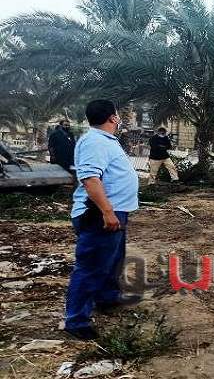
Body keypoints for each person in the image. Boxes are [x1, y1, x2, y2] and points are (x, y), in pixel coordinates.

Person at [64, 99, 140, 340]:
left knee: (112, 261)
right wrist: (107, 211)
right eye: (118, 115)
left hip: (115, 212)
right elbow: (90, 179)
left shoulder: (105, 140)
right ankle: (76, 321)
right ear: (113, 118)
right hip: (100, 214)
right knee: (91, 267)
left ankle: (107, 298)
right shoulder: (95, 141)